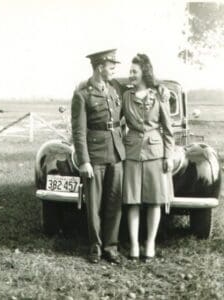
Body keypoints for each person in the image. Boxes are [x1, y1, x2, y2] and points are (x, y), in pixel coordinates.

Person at [71, 49, 125, 264]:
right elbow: (79, 131)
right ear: (100, 67)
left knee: (114, 202)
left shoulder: (113, 90)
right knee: (94, 204)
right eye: (111, 67)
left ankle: (111, 247)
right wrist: (84, 160)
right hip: (94, 155)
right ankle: (95, 246)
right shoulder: (82, 94)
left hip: (116, 153)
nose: (113, 70)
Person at [122, 53, 174, 260]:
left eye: (134, 71)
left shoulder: (160, 95)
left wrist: (168, 156)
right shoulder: (126, 96)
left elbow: (168, 130)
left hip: (155, 153)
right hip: (132, 152)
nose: (130, 75)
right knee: (132, 201)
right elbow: (115, 122)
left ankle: (150, 243)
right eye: (130, 71)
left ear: (144, 72)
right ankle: (134, 245)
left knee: (154, 202)